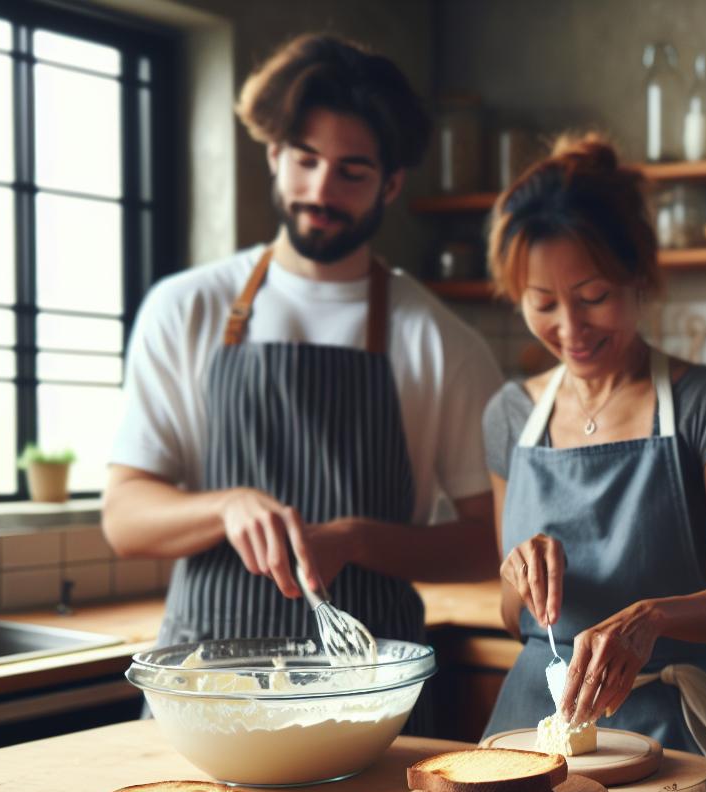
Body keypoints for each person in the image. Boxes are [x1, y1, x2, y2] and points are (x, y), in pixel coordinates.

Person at [104, 34, 501, 655]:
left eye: (352, 171)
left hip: (371, 688)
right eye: (304, 159)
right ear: (272, 154)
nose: (320, 190)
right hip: (210, 687)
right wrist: (225, 507)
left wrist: (360, 539)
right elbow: (124, 516)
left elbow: (490, 540)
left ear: (391, 184)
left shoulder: (440, 341)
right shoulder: (185, 309)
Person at [480, 135, 706, 763]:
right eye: (543, 304)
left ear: (639, 277)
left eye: (593, 297)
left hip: (667, 720)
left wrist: (651, 617)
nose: (571, 330)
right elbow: (511, 616)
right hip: (532, 720)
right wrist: (515, 571)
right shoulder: (510, 414)